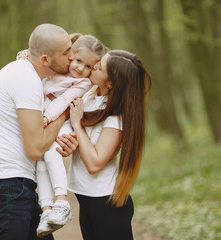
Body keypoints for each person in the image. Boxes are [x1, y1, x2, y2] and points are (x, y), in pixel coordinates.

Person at [0, 23, 77, 240]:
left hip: (15, 186)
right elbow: (35, 148)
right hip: (5, 188)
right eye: (66, 52)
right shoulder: (26, 79)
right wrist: (65, 115)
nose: (72, 57)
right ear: (45, 60)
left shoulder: (28, 74)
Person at [58, 49, 152, 240]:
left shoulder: (116, 117)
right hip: (87, 199)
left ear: (110, 83)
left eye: (99, 67)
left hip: (106, 203)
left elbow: (94, 163)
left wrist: (77, 124)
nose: (93, 66)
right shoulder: (91, 95)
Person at [34, 34, 109, 238]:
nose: (81, 70)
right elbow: (44, 56)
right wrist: (26, 55)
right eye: (78, 61)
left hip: (63, 122)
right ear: (71, 56)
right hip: (48, 120)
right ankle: (47, 210)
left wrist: (46, 117)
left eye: (88, 67)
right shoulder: (56, 70)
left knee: (51, 152)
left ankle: (62, 200)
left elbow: (64, 101)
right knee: (41, 162)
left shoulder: (83, 84)